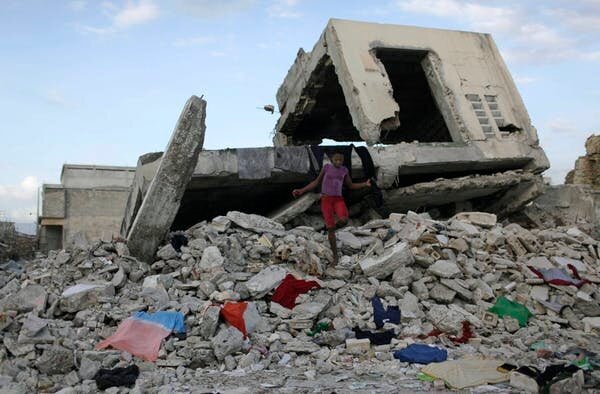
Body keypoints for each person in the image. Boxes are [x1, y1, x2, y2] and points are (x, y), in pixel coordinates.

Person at [292, 152, 371, 266]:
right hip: (326, 200)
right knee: (331, 230)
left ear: (342, 162)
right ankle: (335, 257)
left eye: (340, 160)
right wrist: (301, 190)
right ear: (331, 160)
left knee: (344, 220)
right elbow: (315, 182)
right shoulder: (327, 168)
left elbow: (351, 185)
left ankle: (331, 227)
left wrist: (365, 184)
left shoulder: (344, 171)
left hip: (338, 199)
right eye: (336, 160)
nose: (338, 162)